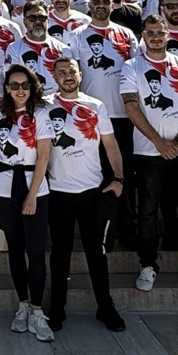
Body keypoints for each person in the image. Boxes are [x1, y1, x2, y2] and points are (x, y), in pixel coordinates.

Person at [47, 56, 126, 331]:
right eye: (61, 72)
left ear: (80, 74)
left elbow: (110, 144)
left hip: (92, 191)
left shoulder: (96, 106)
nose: (67, 75)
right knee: (60, 253)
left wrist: (119, 179)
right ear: (54, 76)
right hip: (58, 191)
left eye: (72, 71)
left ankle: (105, 307)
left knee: (97, 253)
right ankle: (57, 307)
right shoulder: (44, 106)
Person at [0, 64, 55, 342]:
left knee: (35, 250)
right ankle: (23, 304)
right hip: (4, 188)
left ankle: (37, 310)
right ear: (6, 88)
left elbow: (43, 157)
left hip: (33, 185)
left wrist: (32, 195)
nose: (20, 90)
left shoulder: (41, 114)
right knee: (14, 248)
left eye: (25, 85)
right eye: (14, 85)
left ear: (32, 87)